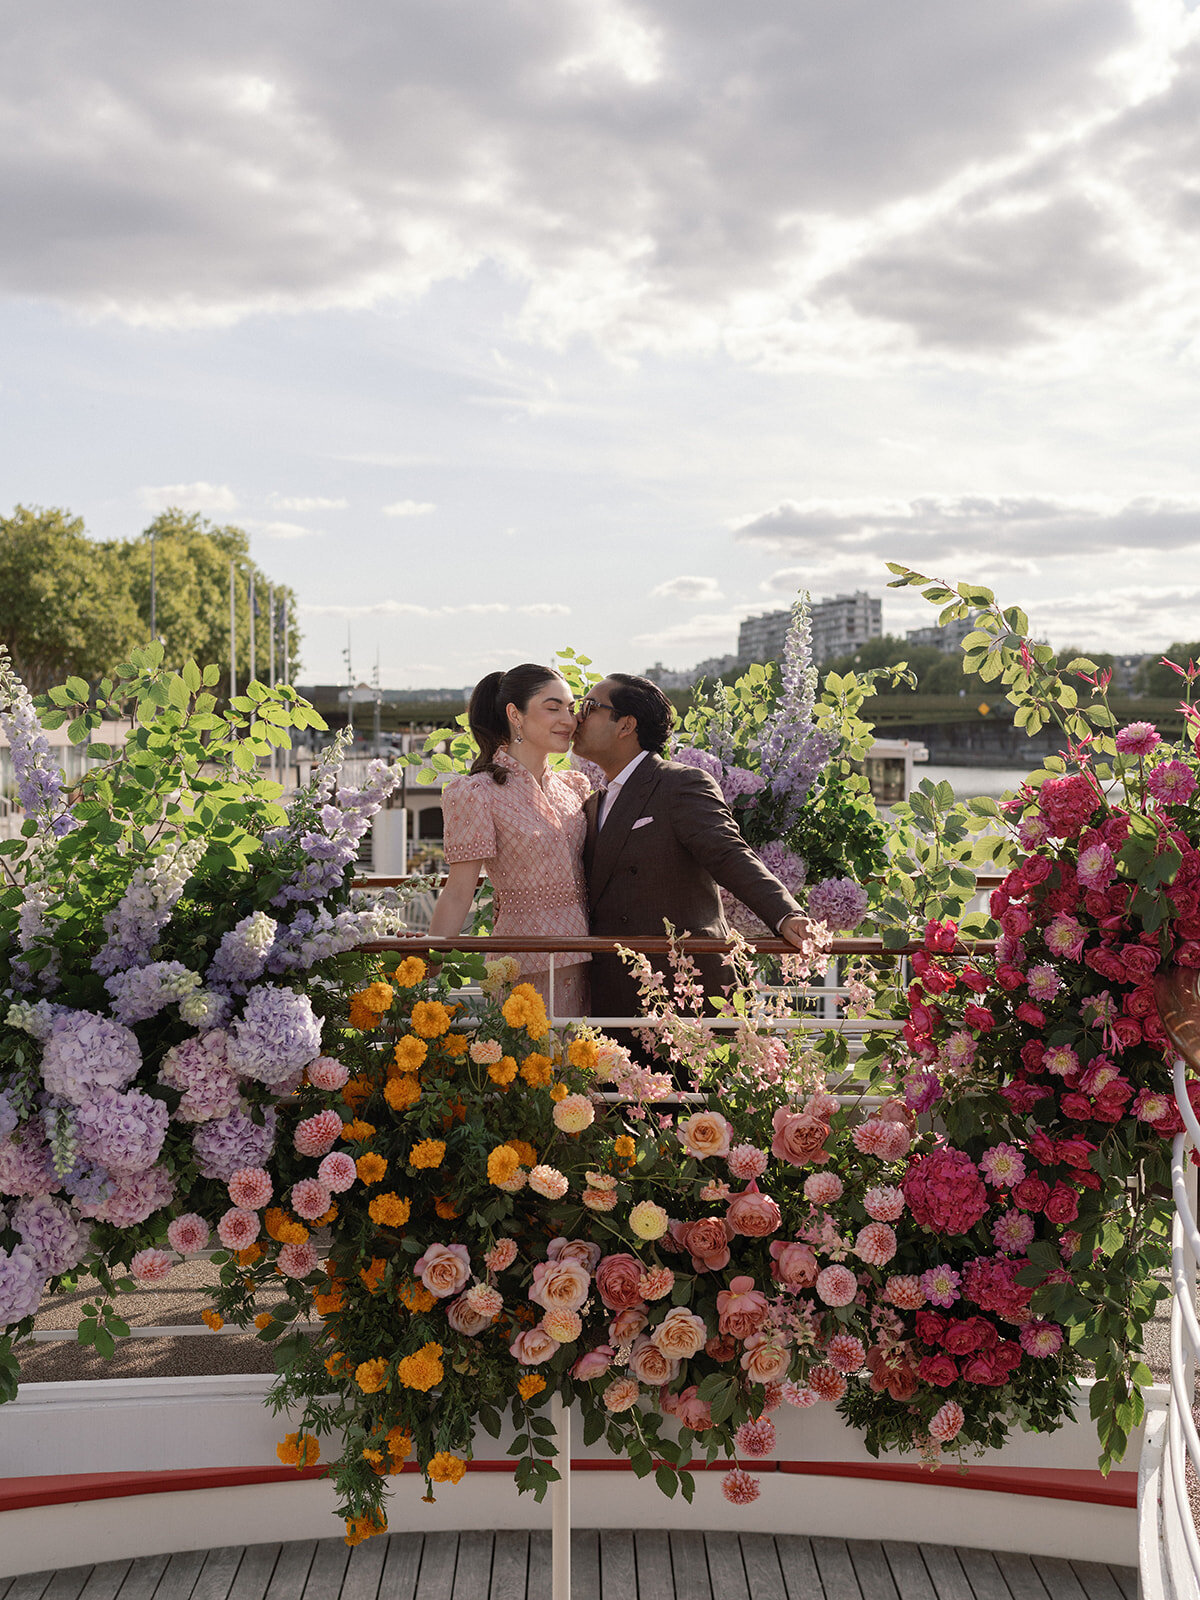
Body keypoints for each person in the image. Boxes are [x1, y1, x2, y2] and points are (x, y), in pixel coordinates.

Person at [571, 672, 809, 1023]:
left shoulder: (679, 784)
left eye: (590, 707)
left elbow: (729, 853)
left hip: (686, 993)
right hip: (614, 995)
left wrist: (786, 914)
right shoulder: (593, 803)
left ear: (626, 725)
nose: (577, 716)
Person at [429, 663, 591, 1015]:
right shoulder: (476, 793)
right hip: (523, 960)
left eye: (571, 708)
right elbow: (458, 891)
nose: (568, 720)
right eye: (553, 708)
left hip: (591, 956)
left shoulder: (574, 787)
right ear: (515, 715)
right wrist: (430, 961)